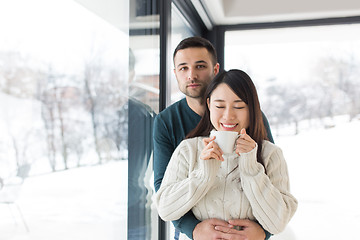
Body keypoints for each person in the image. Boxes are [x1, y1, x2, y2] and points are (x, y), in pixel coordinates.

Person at [153, 36, 274, 240]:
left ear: (216, 69)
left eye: (200, 66)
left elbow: (271, 176)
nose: (191, 75)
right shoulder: (166, 122)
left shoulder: (253, 117)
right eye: (183, 68)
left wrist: (264, 232)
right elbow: (163, 187)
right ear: (175, 74)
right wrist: (194, 229)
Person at [155, 69, 298, 237]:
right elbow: (165, 210)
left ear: (252, 110)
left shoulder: (270, 154)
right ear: (209, 105)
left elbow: (278, 222)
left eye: (239, 106)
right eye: (220, 106)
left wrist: (250, 168)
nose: (228, 115)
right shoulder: (188, 150)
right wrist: (203, 175)